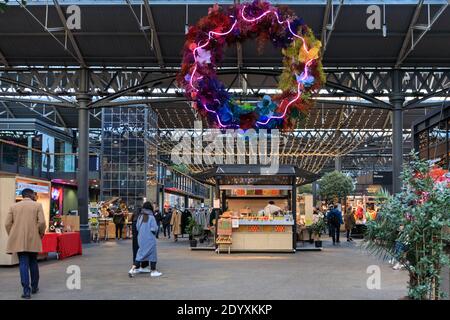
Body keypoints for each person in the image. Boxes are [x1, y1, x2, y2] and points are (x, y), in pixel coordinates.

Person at [5, 188, 46, 299]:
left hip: (19, 240)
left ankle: (26, 291)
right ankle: (34, 286)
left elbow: (7, 223)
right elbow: (42, 222)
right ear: (31, 195)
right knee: (33, 262)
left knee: (23, 264)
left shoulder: (14, 207)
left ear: (22, 196)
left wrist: (13, 235)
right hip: (33, 239)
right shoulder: (37, 206)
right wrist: (40, 233)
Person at [129, 202, 162, 277]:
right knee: (153, 255)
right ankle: (153, 271)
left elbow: (137, 227)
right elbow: (154, 228)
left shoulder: (140, 216)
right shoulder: (151, 217)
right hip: (149, 239)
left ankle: (132, 269)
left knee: (140, 254)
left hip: (140, 238)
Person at [128, 205, 149, 276]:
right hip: (142, 238)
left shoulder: (134, 219)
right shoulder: (143, 218)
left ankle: (136, 266)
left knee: (135, 251)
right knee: (144, 251)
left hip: (135, 239)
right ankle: (144, 266)